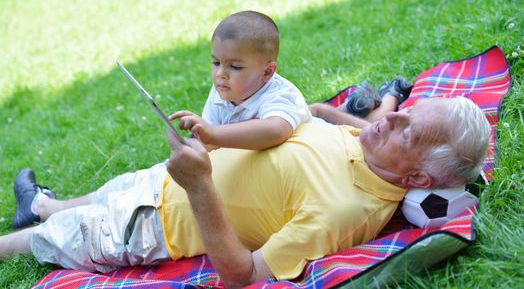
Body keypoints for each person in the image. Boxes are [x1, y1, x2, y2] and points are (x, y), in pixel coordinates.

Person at [2, 96, 490, 288]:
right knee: (101, 193)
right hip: (166, 180)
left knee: (53, 237)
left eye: (407, 129)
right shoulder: (374, 146)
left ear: (419, 181)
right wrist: (354, 112)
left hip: (154, 225)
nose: (392, 119)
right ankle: (40, 204)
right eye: (405, 110)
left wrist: (199, 186)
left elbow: (242, 275)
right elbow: (333, 118)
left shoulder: (343, 212)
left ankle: (26, 233)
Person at [169, 10, 311, 151]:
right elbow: (211, 143)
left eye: (235, 67)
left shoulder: (280, 94)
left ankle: (320, 112)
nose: (220, 74)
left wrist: (212, 133)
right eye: (216, 63)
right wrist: (192, 143)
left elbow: (276, 130)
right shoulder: (222, 91)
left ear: (267, 72)